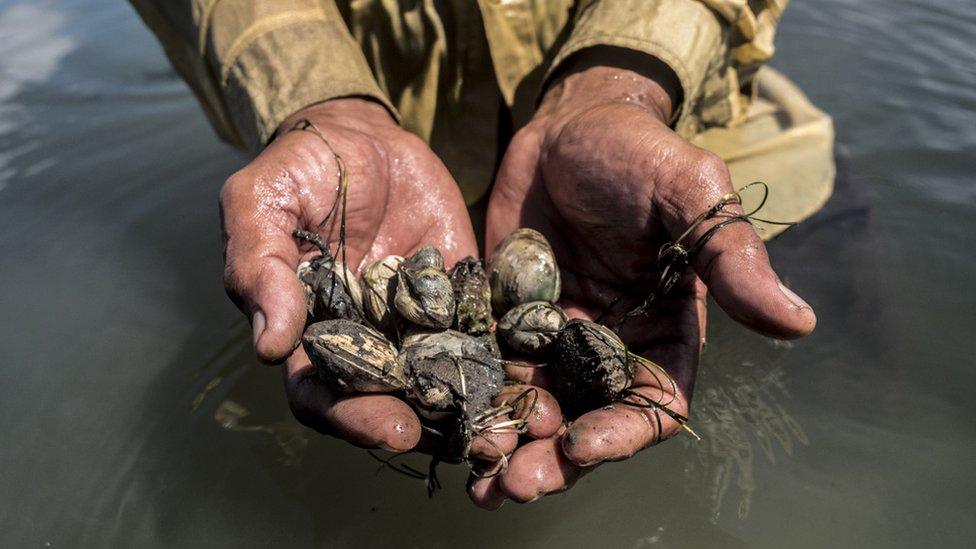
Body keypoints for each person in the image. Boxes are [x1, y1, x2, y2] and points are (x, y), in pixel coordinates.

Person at [130, 0, 834, 508]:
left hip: (646, 137)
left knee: (840, 293)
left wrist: (621, 80)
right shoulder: (423, 291)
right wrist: (320, 99)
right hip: (385, 161)